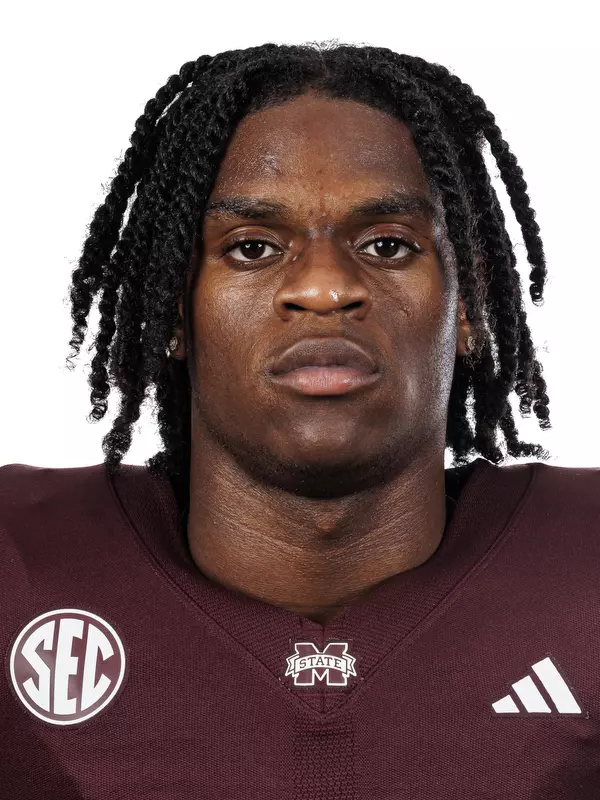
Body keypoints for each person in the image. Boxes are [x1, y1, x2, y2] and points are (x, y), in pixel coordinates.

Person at [1, 41, 599, 800]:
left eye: (388, 245)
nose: (323, 288)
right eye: (252, 248)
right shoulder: (18, 565)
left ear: (471, 305)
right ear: (174, 309)